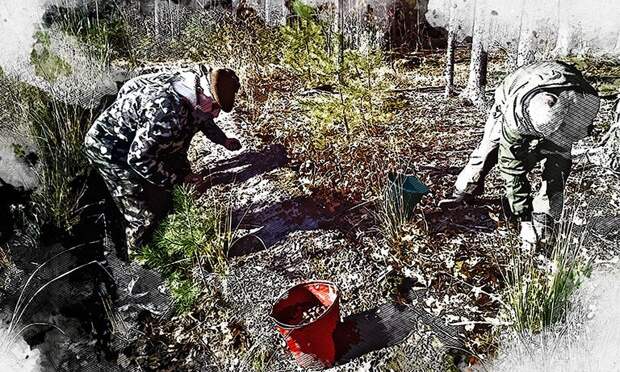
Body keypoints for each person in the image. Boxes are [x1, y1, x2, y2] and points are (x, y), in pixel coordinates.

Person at [84, 65, 242, 257]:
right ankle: (142, 261)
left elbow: (205, 120)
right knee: (141, 213)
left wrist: (223, 140)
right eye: (215, 107)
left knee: (178, 181)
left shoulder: (195, 91)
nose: (216, 113)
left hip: (141, 137)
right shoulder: (168, 112)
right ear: (203, 95)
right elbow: (139, 158)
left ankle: (176, 233)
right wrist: (176, 180)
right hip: (110, 147)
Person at [439, 61, 600, 249]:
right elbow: (511, 167)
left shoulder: (583, 103)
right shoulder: (514, 116)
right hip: (515, 90)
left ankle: (545, 215)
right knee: (488, 149)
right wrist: (523, 220)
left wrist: (544, 214)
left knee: (559, 160)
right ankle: (463, 191)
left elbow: (560, 163)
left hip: (565, 95)